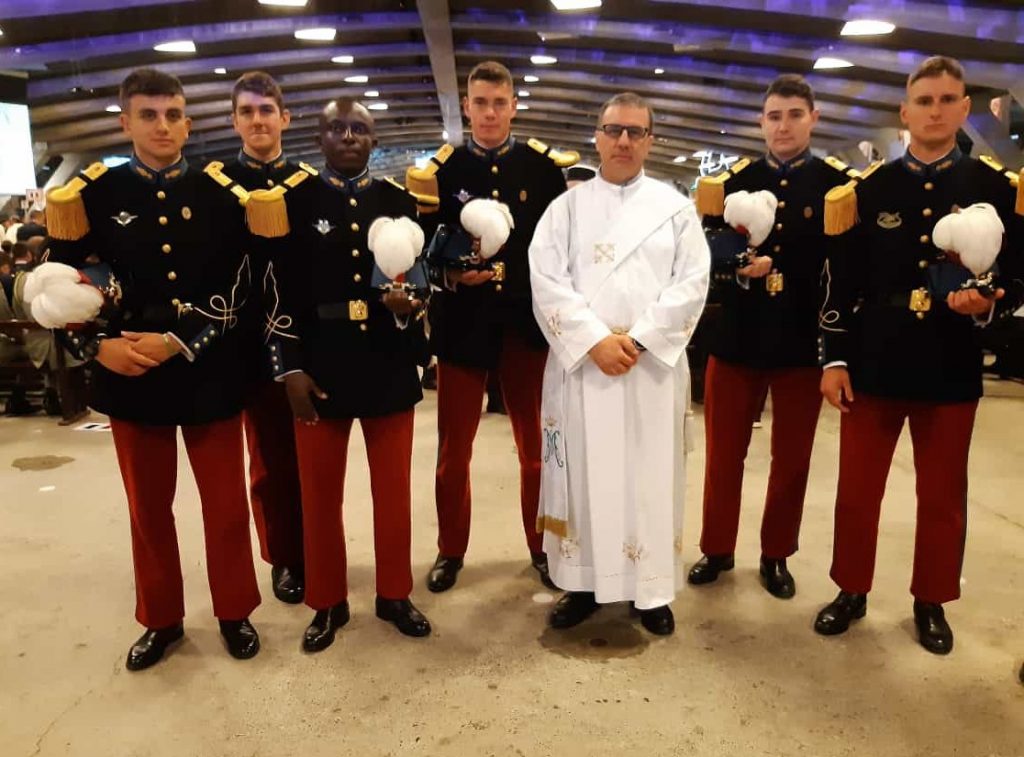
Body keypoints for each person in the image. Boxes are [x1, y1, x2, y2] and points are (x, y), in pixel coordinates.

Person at [40, 68, 262, 670]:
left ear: (187, 123)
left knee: (225, 507)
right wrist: (97, 346)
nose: (162, 126)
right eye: (148, 115)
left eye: (173, 115)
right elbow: (60, 286)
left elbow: (241, 286)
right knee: (148, 510)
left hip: (208, 369)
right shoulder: (91, 196)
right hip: (130, 374)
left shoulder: (222, 194)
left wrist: (181, 340)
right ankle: (161, 619)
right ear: (125, 122)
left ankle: (234, 610)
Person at [814, 56, 1023, 655]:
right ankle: (851, 588)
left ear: (965, 109)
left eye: (947, 100)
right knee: (858, 492)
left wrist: (986, 307)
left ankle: (931, 599)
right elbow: (840, 282)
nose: (936, 111)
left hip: (951, 363)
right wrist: (834, 359)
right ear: (904, 113)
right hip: (874, 361)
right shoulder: (867, 190)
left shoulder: (999, 190)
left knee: (942, 496)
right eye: (924, 101)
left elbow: (1017, 278)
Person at [250, 98, 433, 649]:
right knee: (319, 496)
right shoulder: (292, 202)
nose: (348, 136)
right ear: (319, 138)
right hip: (319, 366)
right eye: (337, 128)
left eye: (359, 129)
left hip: (387, 362)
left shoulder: (399, 201)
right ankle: (327, 601)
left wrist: (409, 306)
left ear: (374, 140)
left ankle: (394, 593)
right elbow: (274, 292)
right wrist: (289, 368)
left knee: (393, 493)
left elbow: (419, 281)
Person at [529, 92, 710, 635]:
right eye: (614, 130)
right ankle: (584, 584)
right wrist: (594, 341)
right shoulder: (565, 210)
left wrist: (642, 340)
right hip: (585, 367)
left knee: (650, 478)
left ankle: (649, 590)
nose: (623, 141)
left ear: (650, 140)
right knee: (586, 476)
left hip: (651, 370)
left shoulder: (675, 209)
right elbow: (545, 281)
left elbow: (693, 282)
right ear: (598, 136)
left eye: (635, 131)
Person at [405, 61, 576, 593]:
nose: (490, 113)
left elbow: (560, 251)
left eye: (500, 103)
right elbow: (420, 253)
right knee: (453, 453)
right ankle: (450, 549)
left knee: (537, 451)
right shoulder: (442, 171)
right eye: (480, 103)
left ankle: (542, 546)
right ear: (466, 108)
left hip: (526, 327)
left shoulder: (542, 170)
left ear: (514, 107)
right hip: (462, 327)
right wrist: (451, 275)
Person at [688, 75, 857, 599]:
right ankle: (717, 547)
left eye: (794, 115)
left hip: (800, 345)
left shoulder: (838, 188)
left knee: (792, 460)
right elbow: (702, 259)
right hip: (735, 340)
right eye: (774, 116)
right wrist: (736, 270)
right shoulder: (730, 183)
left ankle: (776, 554)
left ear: (814, 118)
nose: (784, 126)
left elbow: (845, 273)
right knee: (723, 455)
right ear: (761, 122)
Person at [222, 71, 305, 605]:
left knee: (310, 458)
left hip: (305, 342)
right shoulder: (216, 186)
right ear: (235, 121)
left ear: (284, 118)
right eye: (248, 111)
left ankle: (314, 545)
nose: (258, 120)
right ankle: (283, 556)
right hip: (243, 343)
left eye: (266, 110)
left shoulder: (306, 183)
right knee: (268, 461)